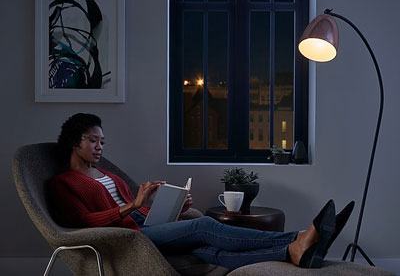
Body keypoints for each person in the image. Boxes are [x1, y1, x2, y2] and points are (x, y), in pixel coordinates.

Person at [50, 113, 355, 270]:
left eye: (102, 141)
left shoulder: (105, 174)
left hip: (140, 227)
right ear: (74, 141)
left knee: (207, 252)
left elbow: (136, 213)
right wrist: (133, 205)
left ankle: (294, 251)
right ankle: (300, 237)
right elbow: (85, 222)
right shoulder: (63, 183)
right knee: (206, 225)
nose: (100, 147)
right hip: (125, 240)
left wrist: (171, 208)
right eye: (93, 140)